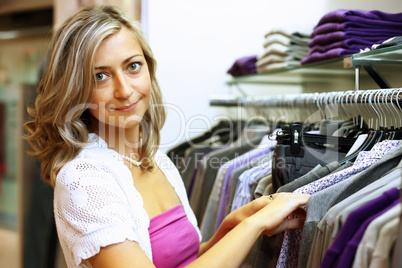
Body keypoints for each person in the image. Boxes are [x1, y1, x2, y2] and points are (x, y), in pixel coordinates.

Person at [24, 5, 310, 268]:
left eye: (132, 66)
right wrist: (256, 225)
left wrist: (232, 225)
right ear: (77, 89)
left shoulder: (159, 161)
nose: (124, 90)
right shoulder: (83, 179)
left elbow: (185, 258)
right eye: (101, 76)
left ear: (148, 68)